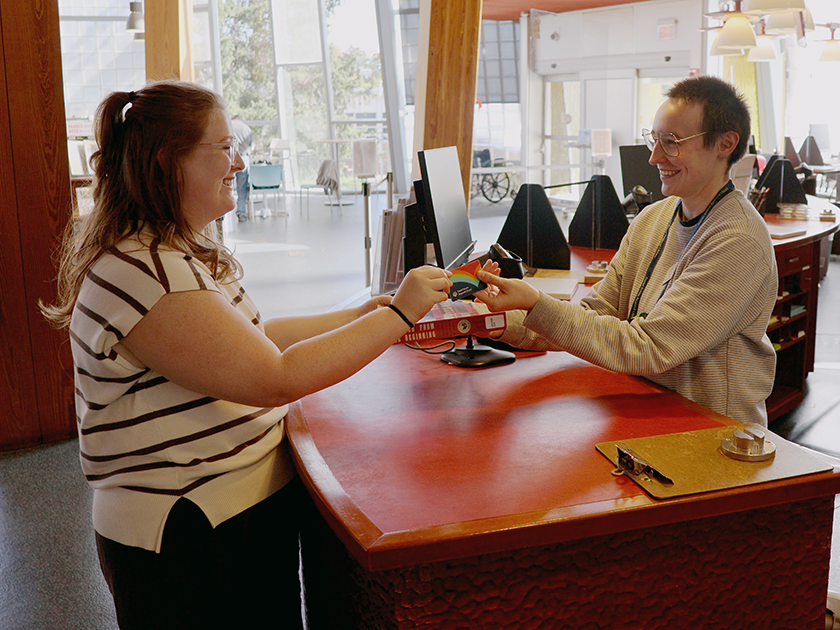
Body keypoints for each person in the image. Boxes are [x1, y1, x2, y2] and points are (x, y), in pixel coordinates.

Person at [40, 80, 453, 629]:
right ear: (168, 161)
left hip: (222, 516)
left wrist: (367, 314)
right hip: (187, 532)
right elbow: (273, 377)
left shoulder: (173, 246)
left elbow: (258, 335)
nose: (237, 162)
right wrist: (396, 319)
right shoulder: (146, 271)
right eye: (224, 146)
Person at [477, 75, 777, 427]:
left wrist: (534, 302)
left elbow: (650, 347)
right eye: (654, 140)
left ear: (725, 144)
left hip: (711, 433)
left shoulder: (738, 240)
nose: (654, 157)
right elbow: (595, 315)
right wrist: (493, 319)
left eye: (672, 142)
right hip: (644, 410)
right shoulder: (653, 219)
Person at [231, 115, 253, 221]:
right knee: (242, 187)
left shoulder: (228, 125)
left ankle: (225, 213)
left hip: (229, 156)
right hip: (243, 158)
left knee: (226, 184)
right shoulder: (247, 129)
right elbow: (251, 147)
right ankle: (241, 211)